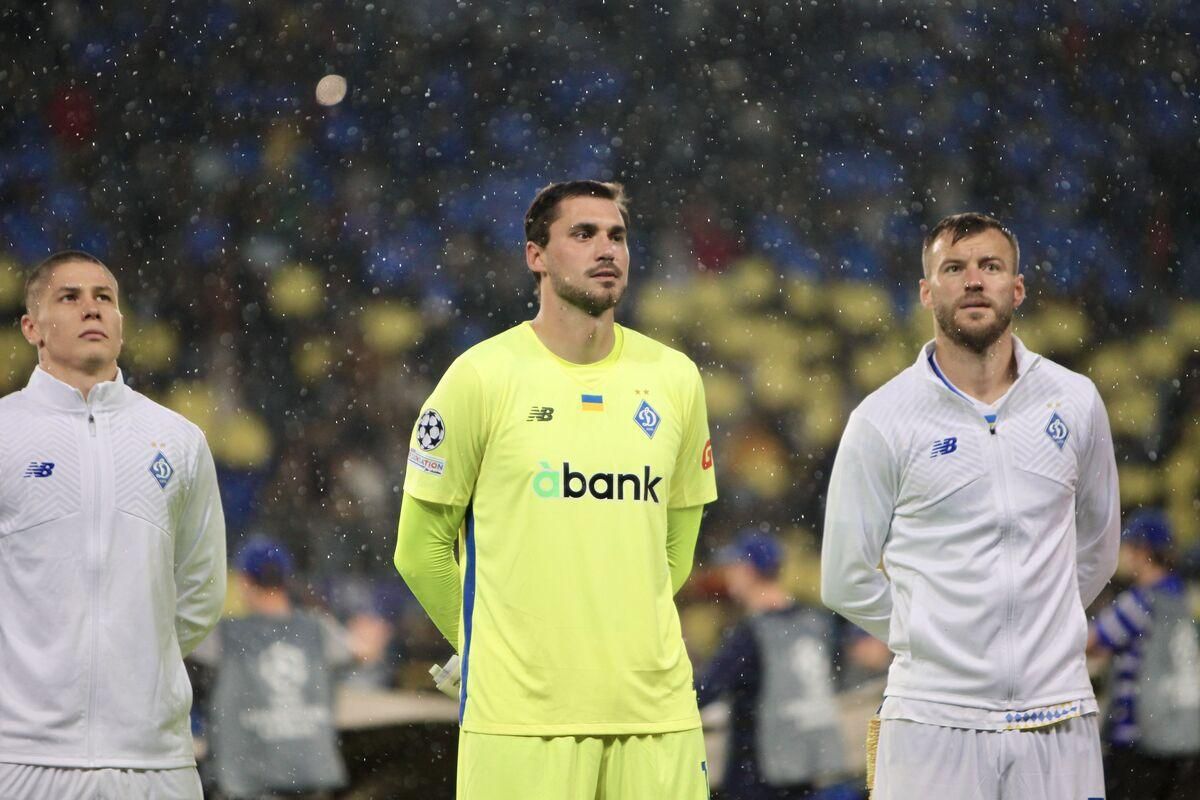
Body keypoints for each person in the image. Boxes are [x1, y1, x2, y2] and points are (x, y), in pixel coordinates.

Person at [394, 180, 719, 800]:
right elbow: (420, 550)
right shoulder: (481, 377)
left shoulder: (675, 379)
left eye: (617, 235)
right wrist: (492, 650)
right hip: (521, 720)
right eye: (584, 234)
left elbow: (673, 557)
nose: (607, 249)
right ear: (535, 256)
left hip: (656, 715)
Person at [820, 213, 1120, 799]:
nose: (974, 280)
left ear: (1018, 287)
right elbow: (843, 577)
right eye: (954, 269)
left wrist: (1039, 625)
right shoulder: (882, 420)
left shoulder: (1076, 400)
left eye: (991, 266)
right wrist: (934, 635)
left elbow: (1099, 548)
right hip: (931, 719)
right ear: (928, 292)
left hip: (1056, 712)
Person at [0, 250, 227, 799]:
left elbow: (201, 588)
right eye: (69, 298)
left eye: (104, 298)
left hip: (155, 762)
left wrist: (138, 663)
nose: (91, 310)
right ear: (32, 327)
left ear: (122, 327)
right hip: (22, 755)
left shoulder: (179, 440)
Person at [194, 536, 388, 800]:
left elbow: (172, 643)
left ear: (244, 581)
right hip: (311, 780)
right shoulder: (318, 629)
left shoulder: (225, 636)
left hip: (249, 785)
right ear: (286, 579)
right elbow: (366, 648)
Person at [697, 529, 845, 800]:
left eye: (733, 566)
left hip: (758, 772)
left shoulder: (751, 634)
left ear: (748, 570)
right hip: (805, 765)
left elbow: (703, 691)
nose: (728, 573)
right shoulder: (813, 622)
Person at [1089, 510, 1200, 800]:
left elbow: (1089, 641)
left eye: (1128, 547)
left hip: (1139, 742)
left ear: (1143, 551)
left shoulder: (1140, 601)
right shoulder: (1183, 600)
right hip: (1186, 738)